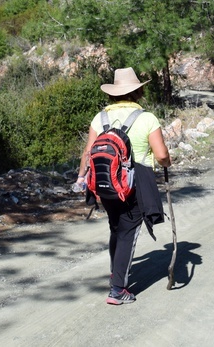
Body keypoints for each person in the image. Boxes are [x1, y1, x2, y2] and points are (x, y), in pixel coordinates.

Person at [73, 67, 171, 305]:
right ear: (138, 91)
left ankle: (115, 271)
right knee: (129, 231)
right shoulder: (147, 118)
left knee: (116, 227)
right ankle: (118, 289)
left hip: (105, 182)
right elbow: (161, 155)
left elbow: (88, 152)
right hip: (135, 182)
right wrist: (168, 162)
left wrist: (80, 178)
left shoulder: (100, 118)